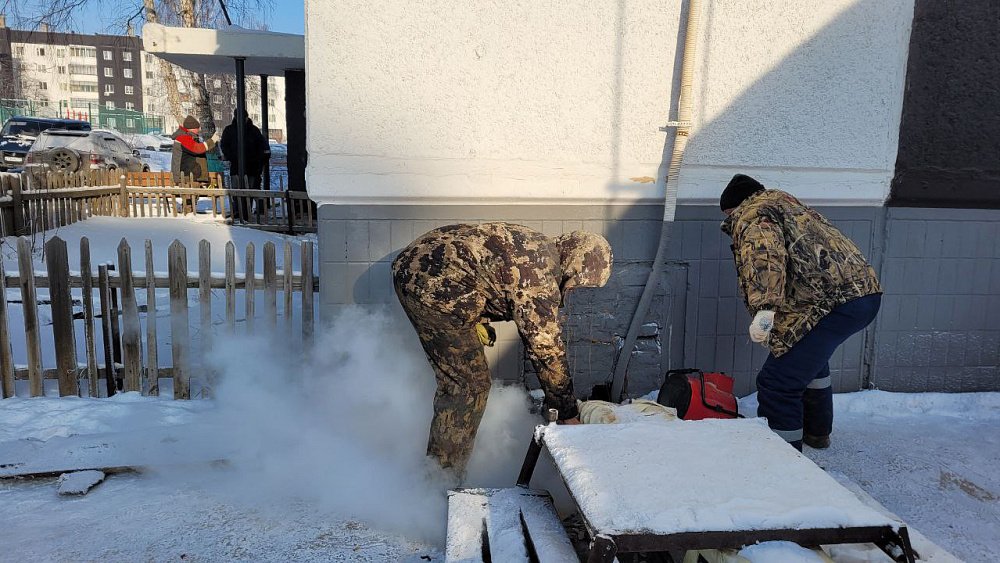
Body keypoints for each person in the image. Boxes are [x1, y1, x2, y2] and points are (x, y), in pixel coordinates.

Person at [392, 222, 613, 475]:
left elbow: (486, 268)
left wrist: (477, 315)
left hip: (422, 266)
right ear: (575, 266)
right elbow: (546, 352)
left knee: (468, 380)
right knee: (468, 386)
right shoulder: (539, 278)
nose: (575, 290)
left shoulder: (539, 248)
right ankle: (440, 480)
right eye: (580, 283)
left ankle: (442, 473)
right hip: (428, 286)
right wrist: (567, 411)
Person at [720, 174, 882, 451]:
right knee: (809, 365)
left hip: (831, 304)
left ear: (733, 206)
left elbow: (766, 257)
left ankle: (782, 466)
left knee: (777, 382)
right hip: (862, 295)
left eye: (727, 214)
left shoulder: (753, 214)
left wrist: (765, 308)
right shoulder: (789, 206)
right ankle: (817, 433)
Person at [220, 109, 269, 220]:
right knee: (238, 190)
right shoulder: (231, 130)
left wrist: (257, 161)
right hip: (238, 166)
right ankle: (238, 212)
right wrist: (232, 156)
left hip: (251, 167)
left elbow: (261, 148)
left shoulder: (253, 131)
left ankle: (245, 212)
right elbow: (224, 146)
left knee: (249, 191)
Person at [170, 115, 218, 186]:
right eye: (198, 128)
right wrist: (212, 141)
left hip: (190, 176)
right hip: (185, 178)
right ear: (192, 129)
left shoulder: (189, 137)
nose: (199, 130)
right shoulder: (183, 138)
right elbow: (197, 149)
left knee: (193, 196)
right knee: (189, 196)